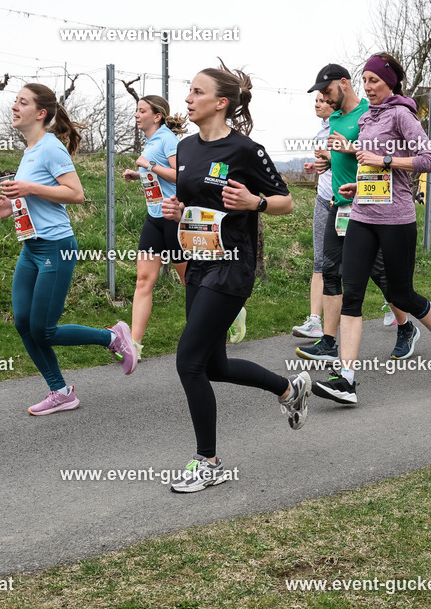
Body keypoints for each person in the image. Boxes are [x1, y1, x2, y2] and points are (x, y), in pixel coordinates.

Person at [161, 60, 311, 493]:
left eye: (196, 92)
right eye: (188, 90)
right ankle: (289, 389)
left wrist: (254, 203)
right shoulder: (186, 149)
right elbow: (194, 205)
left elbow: (285, 201)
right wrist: (177, 211)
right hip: (198, 262)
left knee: (188, 361)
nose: (187, 98)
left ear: (221, 103)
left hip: (232, 265)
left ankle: (208, 462)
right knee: (214, 366)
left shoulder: (245, 150)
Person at [313, 53, 431, 404]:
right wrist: (358, 185)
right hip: (362, 215)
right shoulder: (368, 118)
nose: (368, 87)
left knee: (401, 295)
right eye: (365, 80)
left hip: (396, 218)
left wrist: (385, 159)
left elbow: (428, 161)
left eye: (375, 81)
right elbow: (370, 170)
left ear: (390, 83)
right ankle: (346, 380)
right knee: (352, 294)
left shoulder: (401, 115)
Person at [0, 84, 137, 416]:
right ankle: (61, 392)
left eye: (22, 102)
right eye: (15, 101)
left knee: (44, 330)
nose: (14, 107)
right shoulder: (30, 150)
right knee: (23, 323)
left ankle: (112, 338)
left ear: (41, 113)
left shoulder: (51, 147)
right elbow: (40, 196)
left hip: (55, 246)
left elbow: (75, 193)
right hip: (31, 248)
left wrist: (28, 187)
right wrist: (13, 205)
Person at [298, 64, 408, 367]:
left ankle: (406, 326)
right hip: (338, 205)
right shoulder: (334, 118)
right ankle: (328, 342)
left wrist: (349, 148)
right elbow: (340, 160)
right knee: (330, 271)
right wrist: (325, 163)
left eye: (327, 91)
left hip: (366, 206)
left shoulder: (367, 113)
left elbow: (379, 155)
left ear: (343, 83)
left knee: (380, 274)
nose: (324, 98)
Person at [120, 95, 188, 358]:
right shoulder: (151, 141)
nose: (136, 115)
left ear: (157, 116)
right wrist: (139, 174)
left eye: (141, 110)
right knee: (144, 280)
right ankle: (134, 345)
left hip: (173, 217)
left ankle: (232, 313)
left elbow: (181, 175)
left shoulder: (168, 139)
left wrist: (150, 165)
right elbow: (158, 175)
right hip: (153, 218)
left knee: (189, 280)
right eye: (136, 110)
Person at [292, 94, 334, 339]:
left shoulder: (350, 126)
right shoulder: (321, 130)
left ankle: (396, 308)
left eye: (322, 100)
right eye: (316, 100)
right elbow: (327, 164)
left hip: (347, 202)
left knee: (370, 265)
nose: (317, 104)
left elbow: (353, 160)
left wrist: (329, 160)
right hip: (323, 200)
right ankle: (315, 322)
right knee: (320, 262)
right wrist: (315, 166)